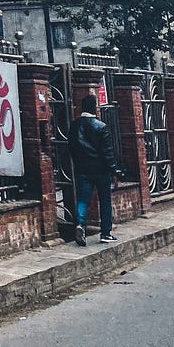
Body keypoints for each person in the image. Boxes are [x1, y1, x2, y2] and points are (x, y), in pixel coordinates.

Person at [68, 94, 119, 246]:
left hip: (83, 169)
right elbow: (107, 152)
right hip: (101, 170)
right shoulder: (101, 126)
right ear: (94, 107)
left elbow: (71, 148)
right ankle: (105, 233)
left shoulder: (74, 126)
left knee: (83, 200)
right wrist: (113, 170)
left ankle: (80, 224)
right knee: (104, 201)